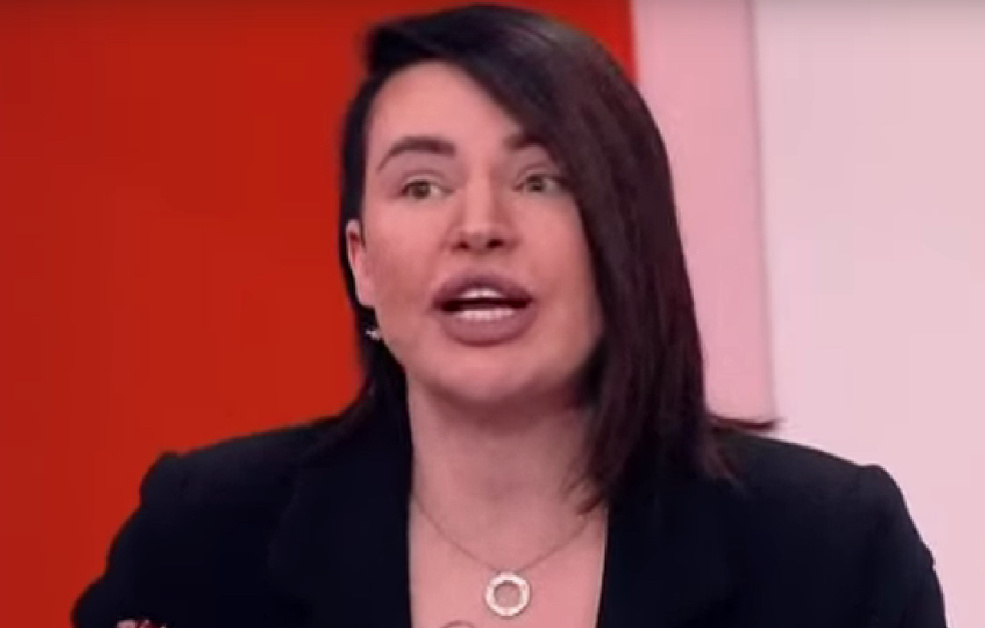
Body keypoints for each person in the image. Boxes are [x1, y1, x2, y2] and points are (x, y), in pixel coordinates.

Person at [72, 4, 947, 628]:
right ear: (361, 261)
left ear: (623, 238)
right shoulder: (207, 534)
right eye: (422, 185)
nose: (479, 225)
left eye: (541, 180)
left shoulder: (830, 554)